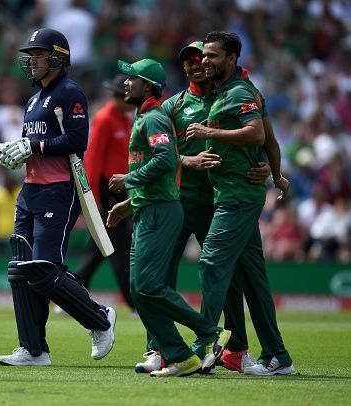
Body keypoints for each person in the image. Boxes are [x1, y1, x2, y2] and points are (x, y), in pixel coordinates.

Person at [134, 40, 285, 375]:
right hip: (179, 199)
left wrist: (263, 167)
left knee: (228, 278)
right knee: (161, 276)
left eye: (200, 58)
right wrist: (188, 160)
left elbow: (256, 138)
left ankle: (233, 350)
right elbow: (158, 154)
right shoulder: (174, 106)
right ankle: (157, 348)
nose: (194, 65)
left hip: (220, 201)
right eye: (188, 61)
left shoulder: (229, 95)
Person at [0, 28, 116, 366]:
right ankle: (33, 350)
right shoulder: (33, 100)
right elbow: (32, 145)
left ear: (58, 57)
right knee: (20, 269)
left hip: (59, 190)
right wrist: (16, 152)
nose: (31, 60)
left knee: (45, 269)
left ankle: (100, 318)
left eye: (38, 54)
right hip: (30, 190)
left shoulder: (70, 93)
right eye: (29, 55)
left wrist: (33, 145)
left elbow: (78, 141)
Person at [106, 58, 230, 377]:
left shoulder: (154, 118)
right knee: (139, 290)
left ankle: (211, 333)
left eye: (132, 77)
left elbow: (165, 160)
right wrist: (130, 203)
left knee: (148, 285)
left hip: (161, 210)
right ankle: (178, 355)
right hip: (149, 207)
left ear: (148, 86)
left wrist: (128, 181)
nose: (125, 82)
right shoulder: (145, 117)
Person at [186, 31, 294, 375]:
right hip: (233, 194)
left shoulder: (240, 92)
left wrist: (210, 133)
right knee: (253, 281)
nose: (205, 60)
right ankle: (278, 356)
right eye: (204, 55)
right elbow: (271, 141)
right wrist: (275, 175)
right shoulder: (229, 92)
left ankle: (204, 345)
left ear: (232, 59)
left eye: (213, 56)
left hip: (237, 197)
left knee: (211, 263)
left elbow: (258, 135)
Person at [74, 74, 135, 312]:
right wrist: (94, 200)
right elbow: (92, 161)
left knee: (99, 247)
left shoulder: (124, 120)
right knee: (120, 247)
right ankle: (134, 303)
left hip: (119, 191)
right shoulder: (105, 119)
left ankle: (71, 293)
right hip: (104, 191)